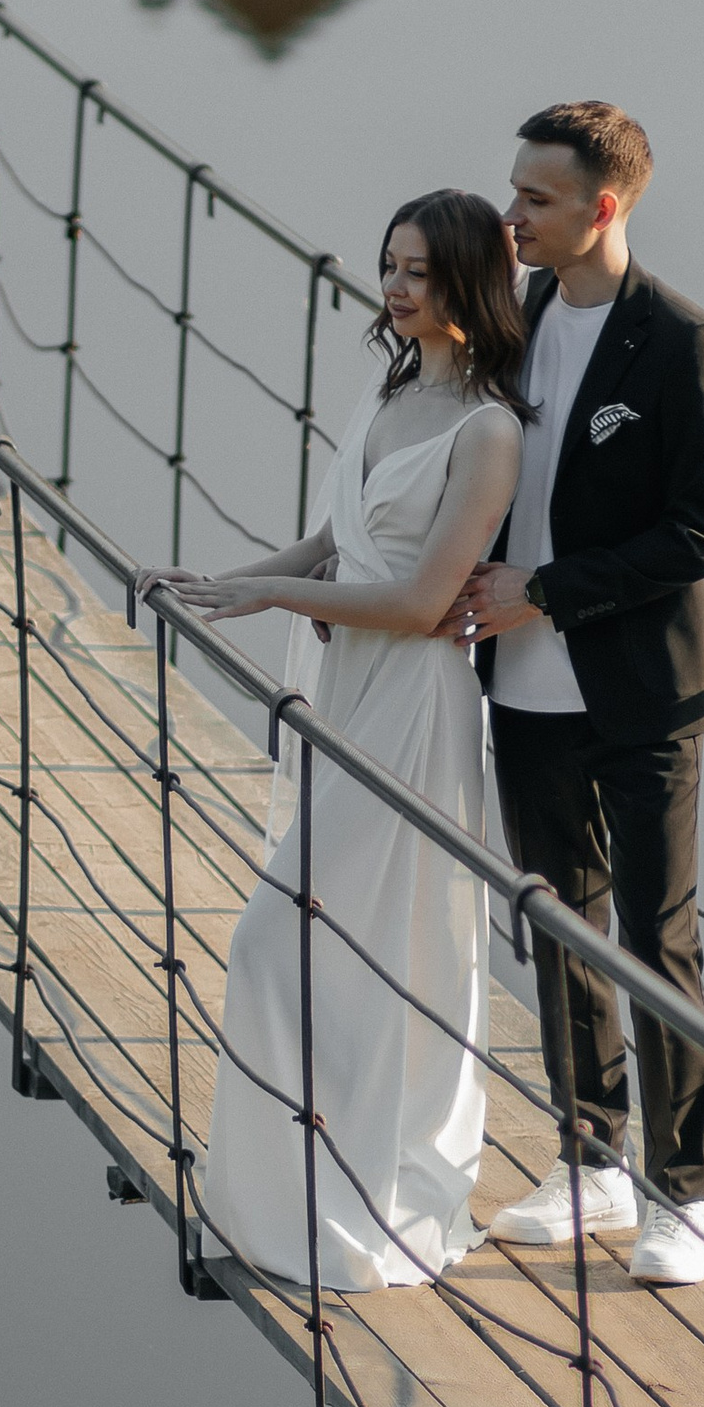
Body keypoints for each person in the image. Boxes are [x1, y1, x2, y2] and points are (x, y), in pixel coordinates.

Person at [140, 192, 526, 1289]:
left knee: (298, 939)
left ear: (467, 282)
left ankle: (350, 1199)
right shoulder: (393, 386)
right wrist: (225, 579)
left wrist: (272, 598)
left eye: (419, 271)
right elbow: (333, 540)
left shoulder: (488, 430)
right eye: (389, 265)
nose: (394, 288)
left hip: (412, 707)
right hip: (348, 683)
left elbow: (418, 601)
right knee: (337, 943)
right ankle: (292, 1193)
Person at [451, 103, 704, 1289]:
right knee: (557, 922)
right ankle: (591, 1161)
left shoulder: (684, 342)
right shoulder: (508, 321)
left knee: (654, 939)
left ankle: (682, 1192)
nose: (511, 215)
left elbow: (701, 533)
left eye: (536, 199)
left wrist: (546, 590)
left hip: (640, 691)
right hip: (522, 688)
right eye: (514, 191)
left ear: (603, 206)